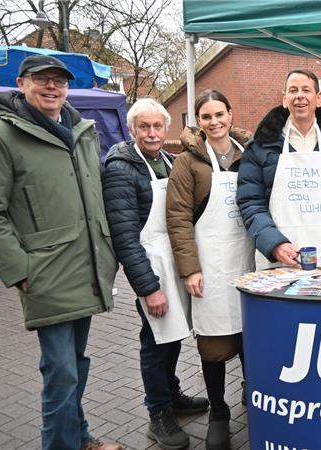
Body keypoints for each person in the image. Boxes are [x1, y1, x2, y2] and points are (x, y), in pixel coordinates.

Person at [0, 55, 121, 450]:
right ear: (21, 83)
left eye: (58, 81)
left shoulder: (81, 131)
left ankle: (79, 435)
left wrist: (106, 250)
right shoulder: (1, 136)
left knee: (75, 363)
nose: (51, 87)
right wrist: (21, 271)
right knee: (60, 370)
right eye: (41, 79)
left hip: (88, 267)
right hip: (46, 274)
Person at [102, 98, 209, 450]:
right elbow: (124, 237)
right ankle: (158, 412)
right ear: (132, 130)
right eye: (144, 127)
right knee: (155, 341)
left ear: (166, 129)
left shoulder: (170, 161)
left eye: (157, 126)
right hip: (151, 265)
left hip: (174, 261)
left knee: (173, 337)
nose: (151, 133)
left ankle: (171, 392)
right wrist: (149, 288)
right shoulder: (121, 169)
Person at [166, 89, 252, 450]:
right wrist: (190, 269)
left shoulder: (250, 154)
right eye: (206, 116)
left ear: (231, 114)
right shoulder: (188, 162)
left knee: (253, 339)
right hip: (210, 266)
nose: (214, 122)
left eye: (220, 114)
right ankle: (219, 411)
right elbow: (178, 219)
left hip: (249, 261)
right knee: (214, 344)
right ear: (198, 122)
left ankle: (254, 393)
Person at [237, 69, 321, 268]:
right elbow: (250, 203)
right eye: (293, 90)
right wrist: (274, 243)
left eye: (306, 90)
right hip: (280, 258)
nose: (299, 96)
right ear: (284, 99)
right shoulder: (260, 147)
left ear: (318, 98)